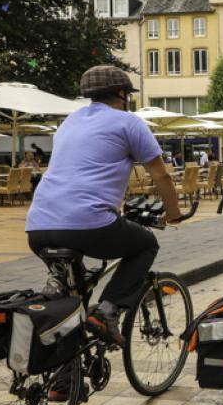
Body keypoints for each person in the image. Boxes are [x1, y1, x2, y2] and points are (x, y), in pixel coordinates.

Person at [26, 65, 182, 349]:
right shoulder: (128, 122)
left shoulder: (69, 122)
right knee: (145, 244)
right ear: (122, 94)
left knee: (70, 298)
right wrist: (173, 213)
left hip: (38, 227)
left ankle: (63, 381)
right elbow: (161, 175)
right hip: (87, 224)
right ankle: (107, 311)